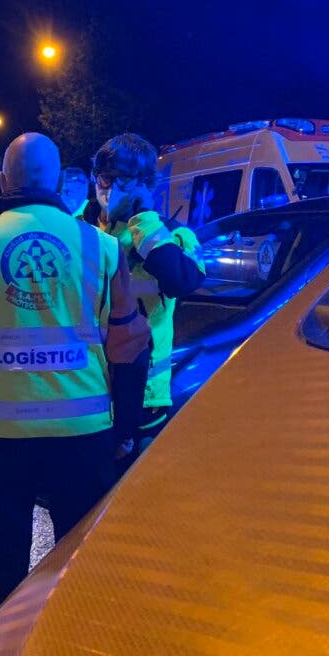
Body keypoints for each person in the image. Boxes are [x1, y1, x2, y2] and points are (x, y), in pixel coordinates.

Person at [0, 132, 151, 616]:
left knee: (3, 562)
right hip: (84, 436)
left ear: (5, 181)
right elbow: (129, 347)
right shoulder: (101, 248)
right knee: (78, 563)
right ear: (58, 180)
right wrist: (126, 430)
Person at [92, 134, 206, 464]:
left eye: (122, 180)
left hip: (145, 398)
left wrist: (142, 221)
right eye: (104, 178)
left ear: (145, 183)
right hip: (89, 390)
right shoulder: (83, 231)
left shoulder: (174, 236)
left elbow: (182, 280)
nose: (109, 189)